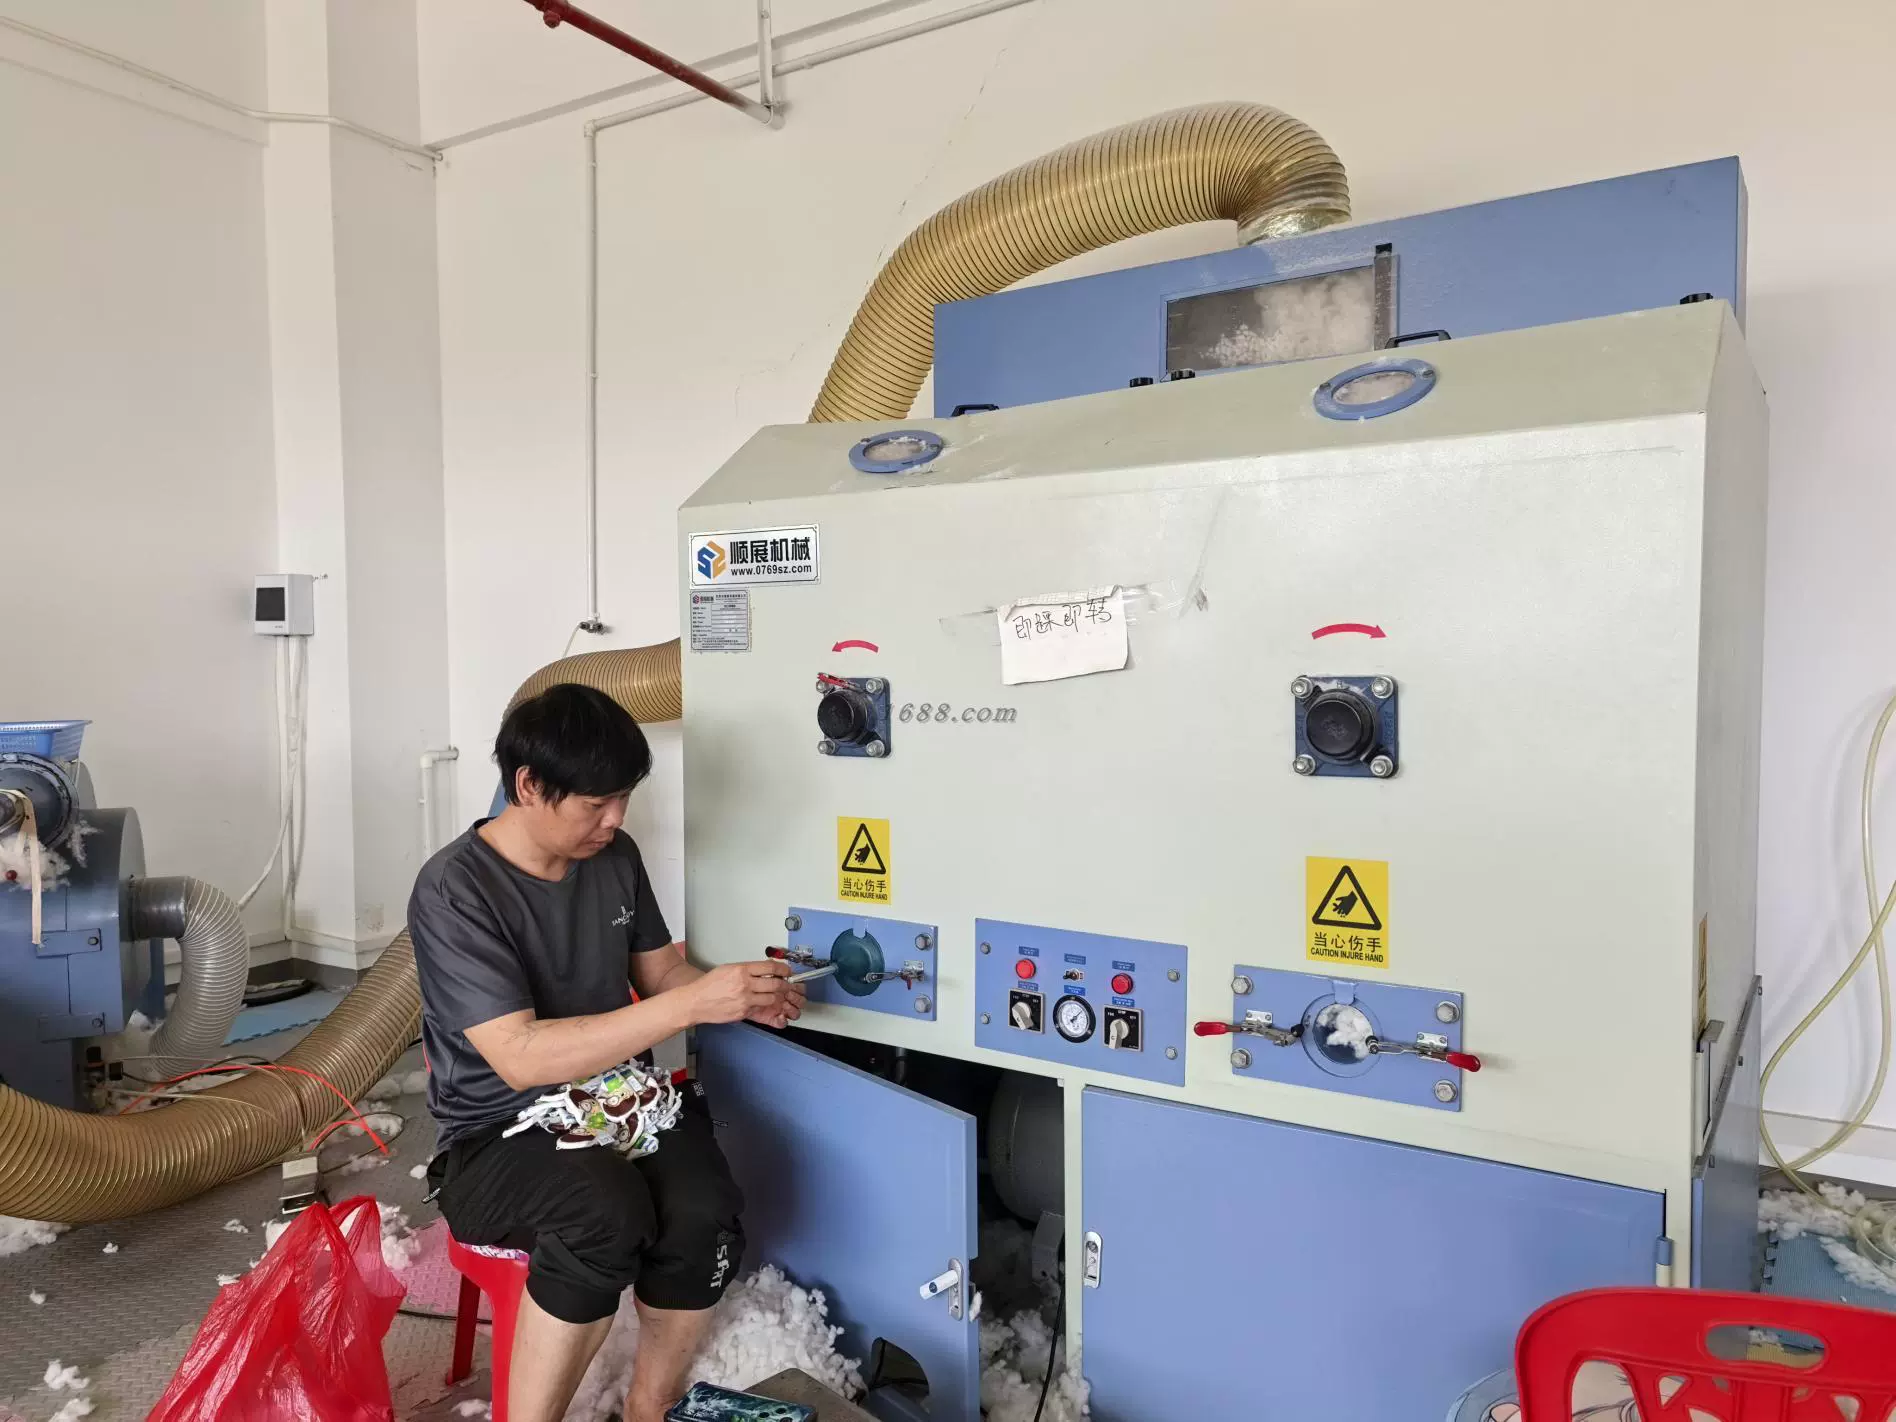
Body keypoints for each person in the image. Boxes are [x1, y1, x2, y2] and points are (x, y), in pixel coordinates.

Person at [410, 683, 800, 1422]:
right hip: (498, 1131)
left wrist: (736, 994)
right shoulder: (455, 889)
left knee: (706, 1210)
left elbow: (660, 975)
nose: (616, 819)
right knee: (606, 1213)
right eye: (597, 803)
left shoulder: (614, 856)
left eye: (623, 798)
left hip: (620, 1103)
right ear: (529, 785)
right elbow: (521, 1057)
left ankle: (651, 1404)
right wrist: (689, 1005)